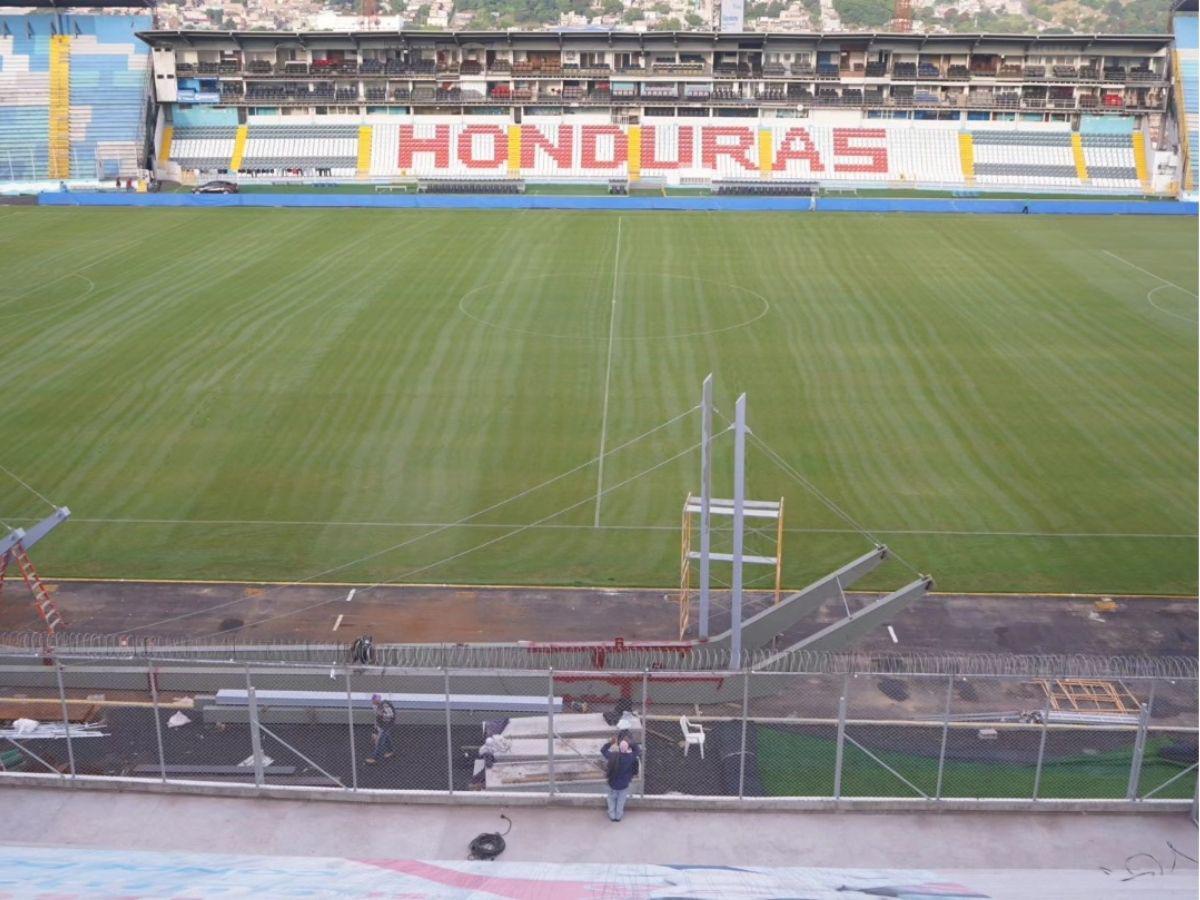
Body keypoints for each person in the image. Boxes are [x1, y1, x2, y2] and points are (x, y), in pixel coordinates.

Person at [599, 735, 640, 822]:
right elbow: (637, 750)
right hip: (624, 784)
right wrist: (630, 743)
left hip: (612, 783)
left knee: (611, 799)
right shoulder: (630, 757)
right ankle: (618, 816)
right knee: (621, 801)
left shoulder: (613, 756)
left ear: (619, 747)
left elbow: (603, 750)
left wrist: (611, 743)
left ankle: (612, 815)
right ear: (627, 748)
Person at [366, 693, 395, 764]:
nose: (372, 702)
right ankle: (390, 751)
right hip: (382, 724)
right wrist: (375, 730)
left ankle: (374, 758)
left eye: (373, 700)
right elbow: (377, 718)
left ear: (377, 700)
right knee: (387, 737)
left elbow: (391, 715)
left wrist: (382, 715)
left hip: (387, 723)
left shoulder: (385, 706)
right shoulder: (375, 706)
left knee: (380, 741)